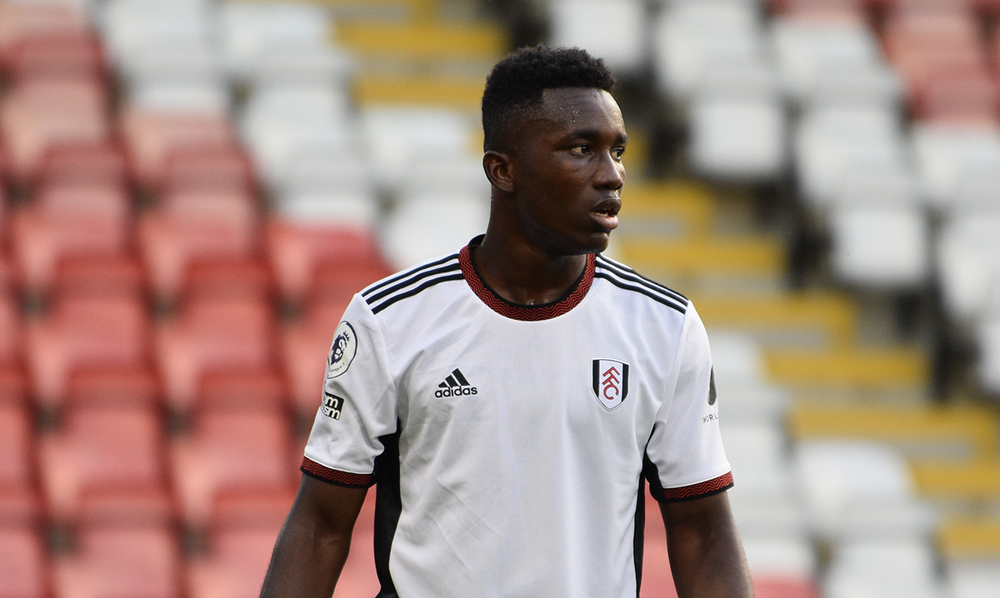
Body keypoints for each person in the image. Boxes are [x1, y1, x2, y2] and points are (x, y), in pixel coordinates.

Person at [260, 45, 754, 598]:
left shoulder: (664, 326)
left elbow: (704, 533)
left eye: (617, 151)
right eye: (581, 149)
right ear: (503, 170)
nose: (611, 175)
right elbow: (320, 527)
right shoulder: (389, 320)